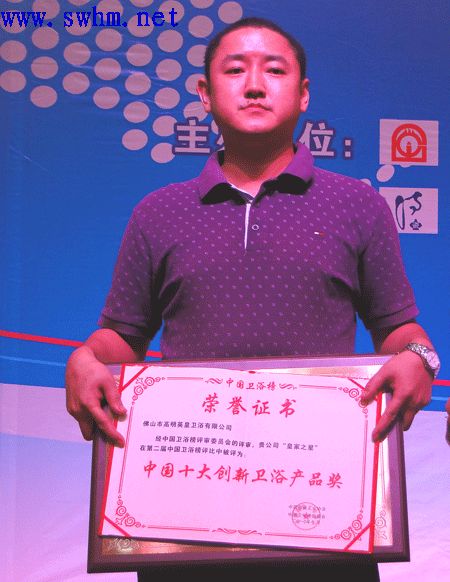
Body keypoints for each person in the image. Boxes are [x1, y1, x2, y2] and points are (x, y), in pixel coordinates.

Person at [65, 16, 440, 582]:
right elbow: (121, 336)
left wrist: (419, 357)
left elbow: (400, 329)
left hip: (324, 515)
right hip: (186, 521)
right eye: (235, 70)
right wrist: (87, 357)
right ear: (205, 93)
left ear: (304, 93)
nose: (256, 85)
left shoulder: (358, 205)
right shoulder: (159, 212)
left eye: (275, 70)